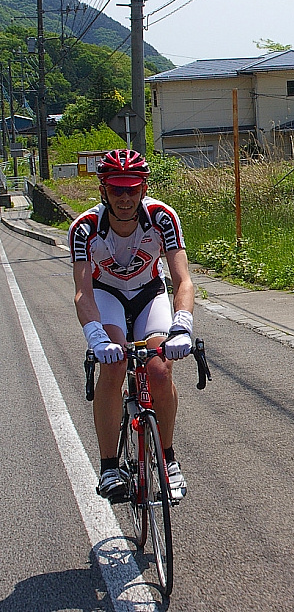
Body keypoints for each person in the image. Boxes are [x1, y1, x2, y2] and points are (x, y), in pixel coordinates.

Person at [69, 149, 195, 502]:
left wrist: (182, 325)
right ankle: (109, 465)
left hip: (148, 293)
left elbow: (182, 280)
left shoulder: (163, 218)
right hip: (106, 294)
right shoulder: (85, 228)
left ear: (144, 188)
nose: (125, 198)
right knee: (114, 365)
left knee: (159, 369)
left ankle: (168, 460)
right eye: (116, 189)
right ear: (103, 190)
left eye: (132, 189)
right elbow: (83, 291)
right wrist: (95, 337)